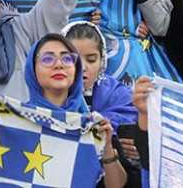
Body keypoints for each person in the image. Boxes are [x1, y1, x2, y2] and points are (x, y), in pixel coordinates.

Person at [23, 34, 128, 188]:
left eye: (67, 59)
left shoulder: (93, 125)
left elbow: (117, 186)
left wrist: (107, 149)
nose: (59, 65)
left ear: (76, 69)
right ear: (32, 70)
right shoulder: (18, 121)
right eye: (47, 59)